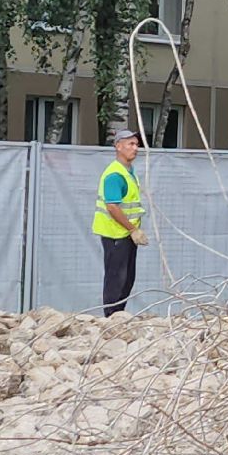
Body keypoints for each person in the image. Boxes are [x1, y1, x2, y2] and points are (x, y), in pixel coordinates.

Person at [93, 129, 147, 317]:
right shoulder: (115, 175)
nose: (135, 148)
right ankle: (111, 317)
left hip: (126, 234)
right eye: (130, 144)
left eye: (136, 144)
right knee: (116, 278)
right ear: (118, 146)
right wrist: (133, 229)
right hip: (116, 234)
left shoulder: (128, 172)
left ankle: (118, 315)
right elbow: (113, 207)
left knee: (127, 278)